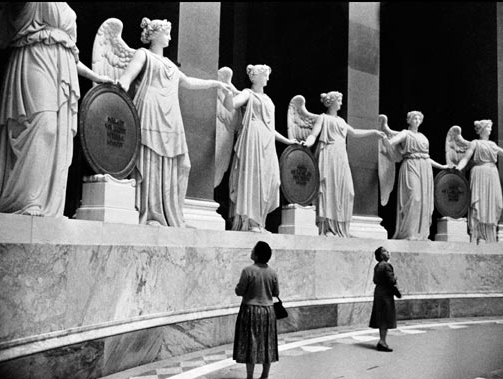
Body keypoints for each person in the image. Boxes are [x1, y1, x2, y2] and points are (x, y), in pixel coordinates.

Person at [0, 2, 114, 217]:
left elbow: (73, 55)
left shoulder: (69, 11)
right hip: (34, 56)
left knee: (56, 136)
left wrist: (96, 77)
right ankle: (25, 199)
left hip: (62, 65)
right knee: (44, 126)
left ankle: (43, 202)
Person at [117, 17, 231, 227]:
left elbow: (188, 82)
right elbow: (127, 77)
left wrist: (215, 83)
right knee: (151, 159)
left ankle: (171, 213)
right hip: (150, 108)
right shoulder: (144, 55)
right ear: (154, 35)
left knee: (181, 163)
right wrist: (118, 88)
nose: (170, 37)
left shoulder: (169, 64)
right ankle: (151, 213)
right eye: (166, 32)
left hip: (170, 114)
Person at [226, 65, 299, 233]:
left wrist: (287, 141)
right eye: (264, 74)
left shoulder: (267, 99)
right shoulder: (247, 93)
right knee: (253, 179)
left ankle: (259, 222)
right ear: (255, 77)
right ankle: (251, 222)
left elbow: (270, 128)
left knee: (272, 181)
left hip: (267, 142)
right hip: (253, 139)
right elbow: (232, 105)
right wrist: (227, 88)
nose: (267, 77)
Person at [301, 91, 385, 237]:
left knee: (347, 191)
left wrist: (374, 133)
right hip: (328, 153)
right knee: (329, 189)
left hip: (341, 157)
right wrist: (306, 143)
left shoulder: (341, 121)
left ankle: (341, 228)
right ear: (331, 102)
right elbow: (313, 135)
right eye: (338, 100)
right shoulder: (323, 118)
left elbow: (354, 132)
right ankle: (328, 227)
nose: (341, 103)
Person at [381, 111, 449, 240]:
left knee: (424, 201)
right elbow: (391, 143)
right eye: (414, 118)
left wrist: (442, 166)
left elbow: (426, 157)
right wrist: (385, 139)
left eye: (419, 118)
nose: (417, 120)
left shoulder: (423, 137)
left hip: (425, 168)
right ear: (409, 120)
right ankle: (408, 233)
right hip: (410, 165)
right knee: (414, 197)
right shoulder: (405, 133)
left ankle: (420, 234)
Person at [234, 241, 280, 379]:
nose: (251, 251)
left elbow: (239, 291)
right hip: (268, 311)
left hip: (251, 310)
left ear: (257, 254)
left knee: (251, 342)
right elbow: (276, 292)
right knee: (268, 342)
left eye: (254, 249)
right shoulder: (272, 272)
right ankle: (265, 377)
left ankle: (249, 378)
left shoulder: (248, 271)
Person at [368, 246, 400, 352]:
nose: (388, 252)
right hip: (386, 294)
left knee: (381, 318)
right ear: (381, 255)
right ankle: (382, 342)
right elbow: (391, 281)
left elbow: (375, 280)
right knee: (385, 318)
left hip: (378, 292)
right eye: (386, 251)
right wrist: (395, 281)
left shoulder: (377, 266)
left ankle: (382, 341)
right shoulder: (387, 265)